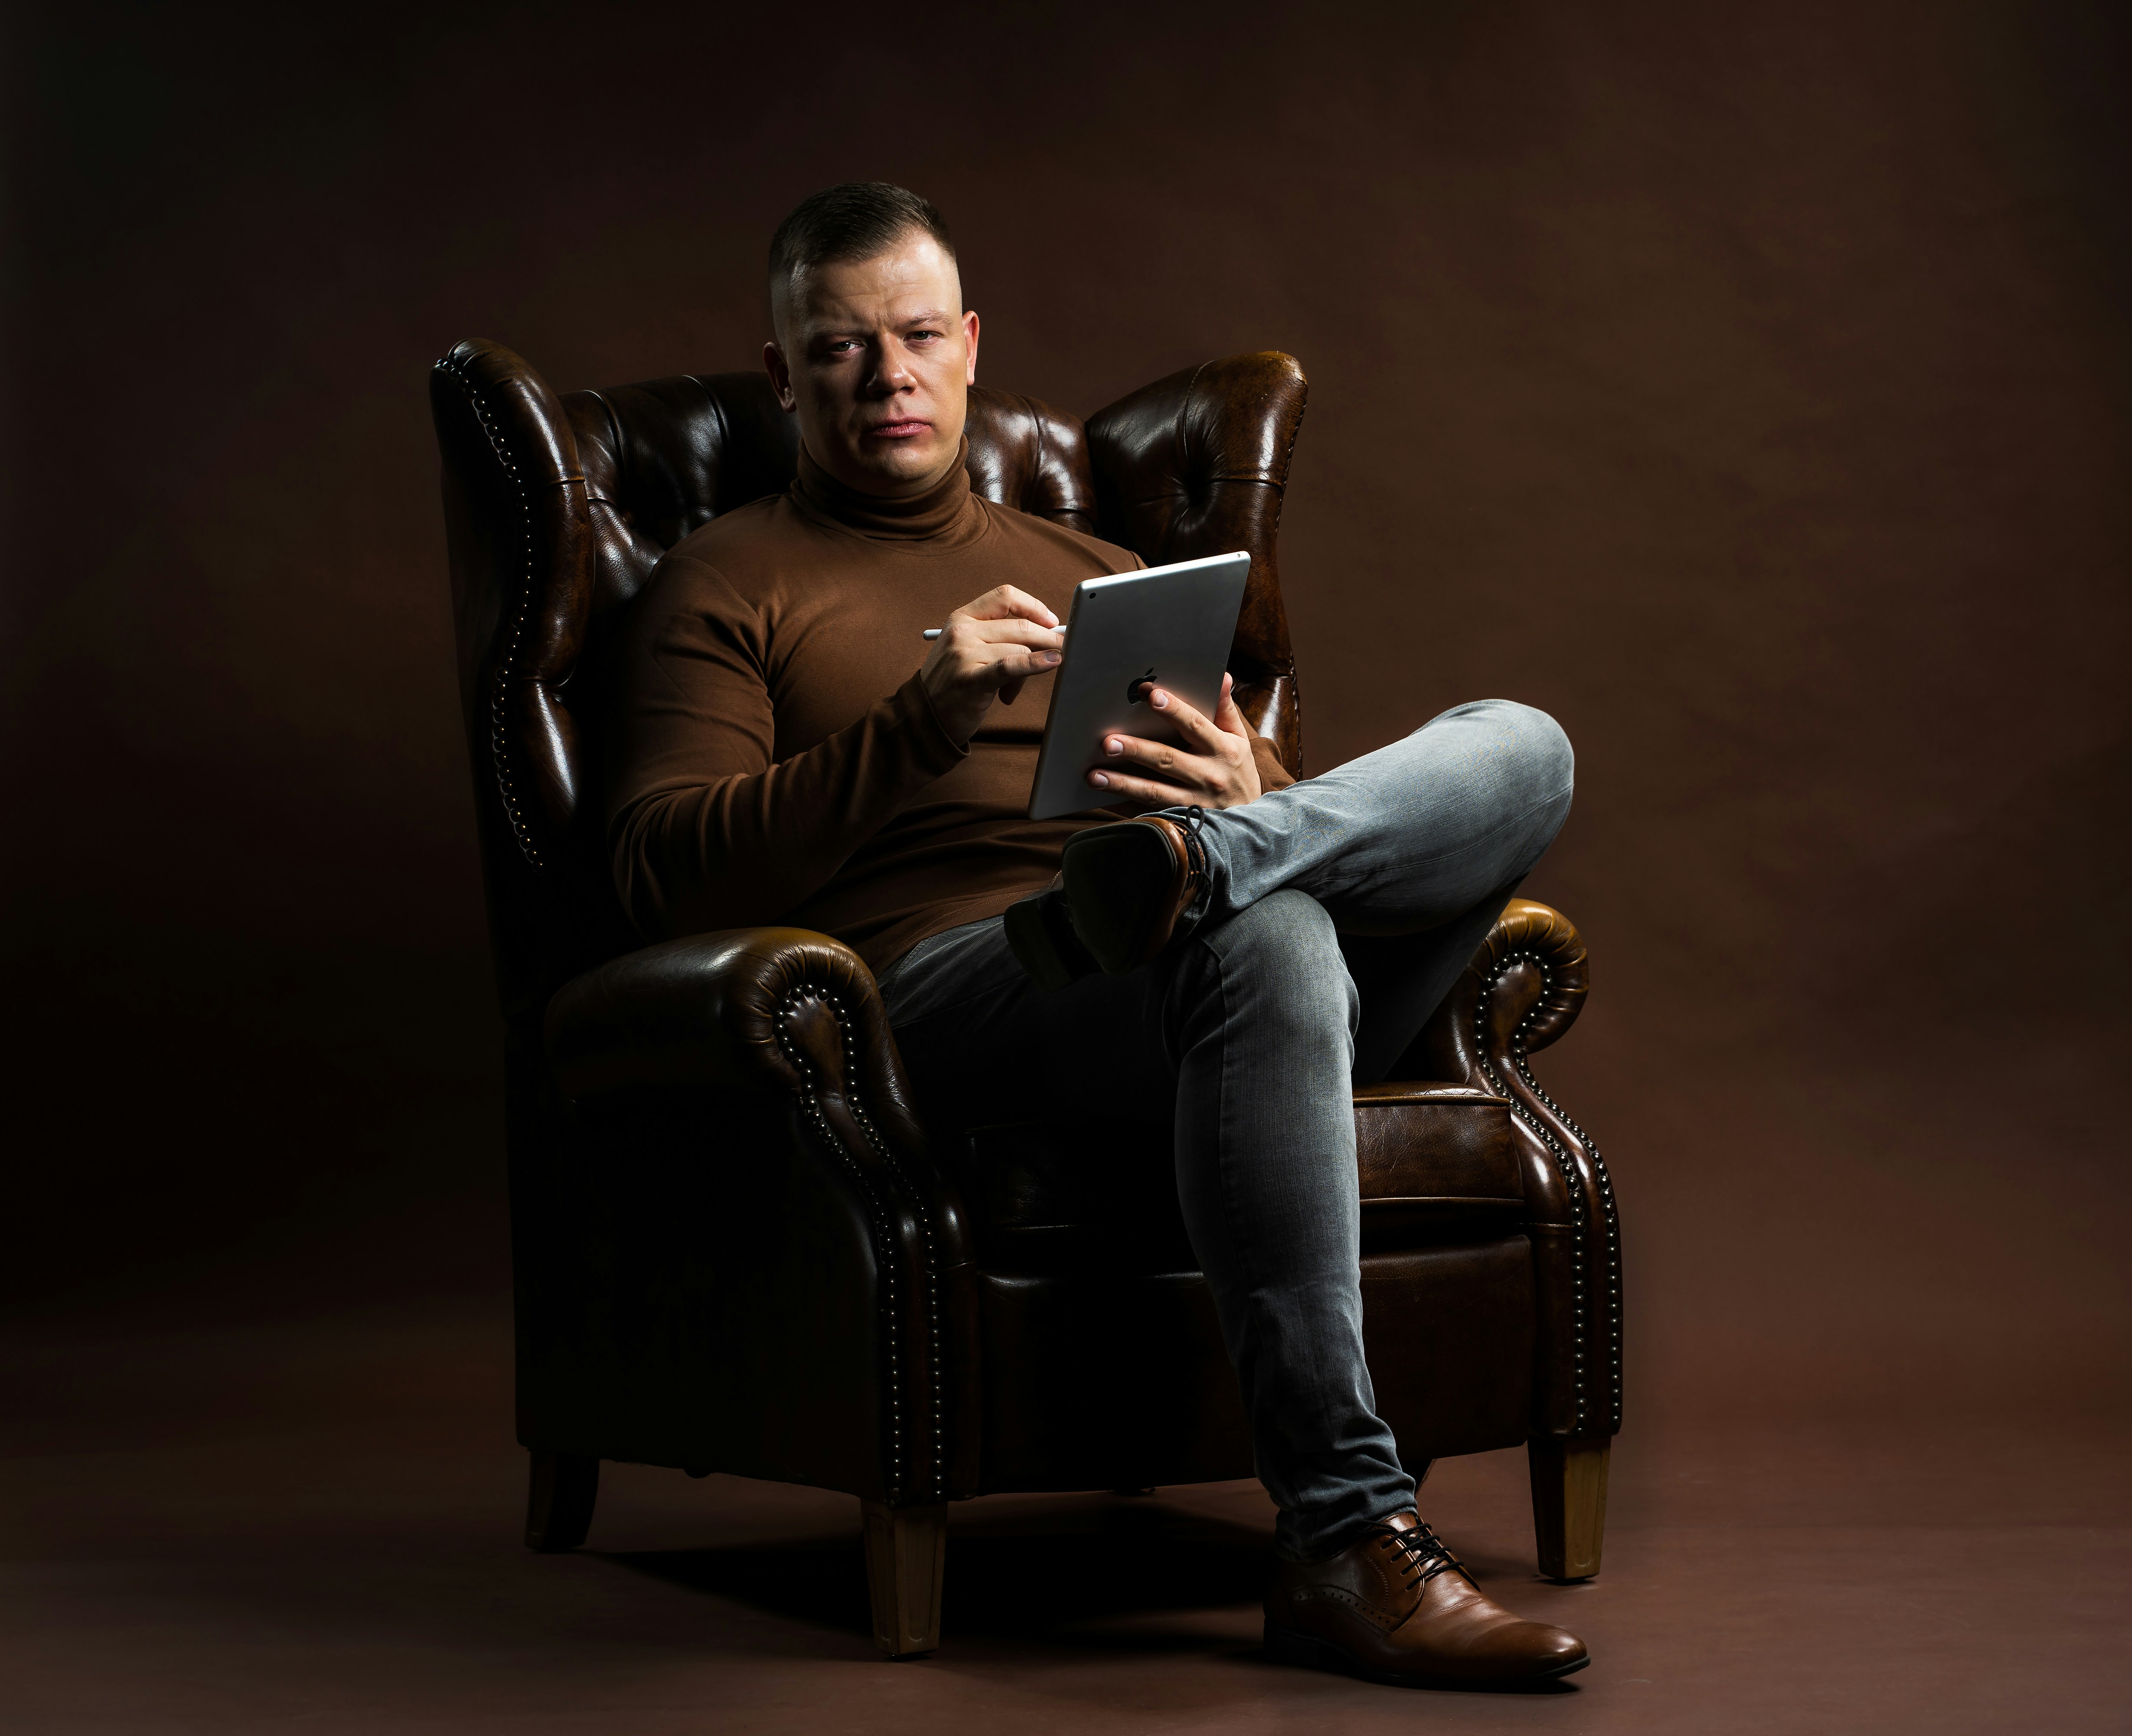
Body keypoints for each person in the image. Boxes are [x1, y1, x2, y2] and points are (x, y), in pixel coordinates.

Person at [605, 182, 1586, 1690]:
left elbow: (1295, 818)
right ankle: (1346, 1536)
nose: (890, 378)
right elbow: (660, 874)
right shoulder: (726, 582)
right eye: (842, 349)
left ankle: (1211, 861)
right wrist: (920, 722)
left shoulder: (1105, 572)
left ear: (972, 343)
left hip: (1188, 941)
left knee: (1521, 744)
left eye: (919, 336)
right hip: (959, 986)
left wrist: (1249, 789)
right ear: (784, 366)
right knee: (1267, 944)